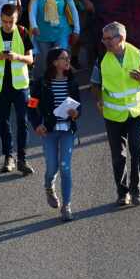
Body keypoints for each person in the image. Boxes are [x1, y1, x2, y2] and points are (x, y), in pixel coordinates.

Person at [92, 20, 140, 207]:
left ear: (120, 38)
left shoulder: (139, 55)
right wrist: (98, 99)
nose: (104, 42)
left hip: (136, 113)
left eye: (108, 39)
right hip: (113, 116)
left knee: (139, 150)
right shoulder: (101, 60)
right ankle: (122, 193)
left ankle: (136, 188)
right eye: (103, 39)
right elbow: (95, 85)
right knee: (118, 156)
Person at [0, 2, 36, 176]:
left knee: (22, 121)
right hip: (0, 87)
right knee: (4, 123)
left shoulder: (22, 32)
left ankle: (22, 158)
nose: (7, 25)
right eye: (4, 21)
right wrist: (0, 56)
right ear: (0, 19)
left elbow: (30, 59)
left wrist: (17, 57)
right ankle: (8, 157)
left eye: (10, 21)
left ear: (16, 17)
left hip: (20, 86)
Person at [28, 45, 81, 221]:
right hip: (49, 132)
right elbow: (31, 107)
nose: (68, 61)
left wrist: (76, 113)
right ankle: (49, 186)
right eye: (64, 58)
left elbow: (78, 105)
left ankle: (67, 206)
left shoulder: (72, 81)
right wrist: (37, 125)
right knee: (52, 166)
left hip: (67, 130)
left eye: (68, 58)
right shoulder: (41, 83)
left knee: (65, 167)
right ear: (54, 62)